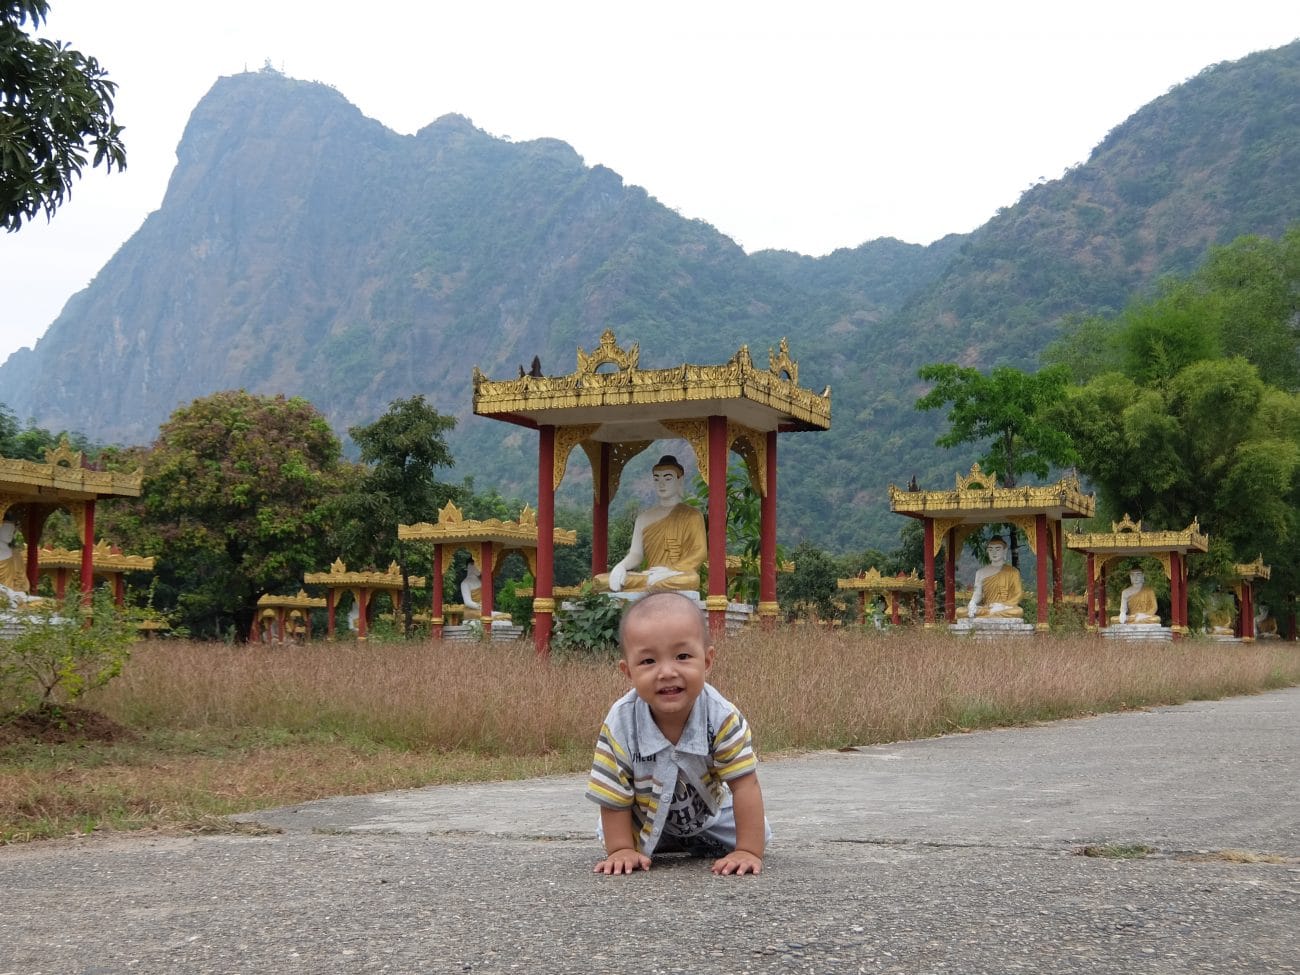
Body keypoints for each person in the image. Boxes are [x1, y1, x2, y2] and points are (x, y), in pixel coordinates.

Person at [586, 591, 769, 876]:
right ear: (628, 671)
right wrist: (620, 848)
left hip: (708, 816)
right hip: (641, 817)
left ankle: (710, 841)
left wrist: (748, 850)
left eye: (682, 656)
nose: (667, 672)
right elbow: (613, 792)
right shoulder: (620, 724)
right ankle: (639, 843)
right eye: (648, 661)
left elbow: (744, 784)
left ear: (707, 661)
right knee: (612, 834)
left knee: (758, 832)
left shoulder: (721, 717)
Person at [593, 455, 707, 596]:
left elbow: (699, 552)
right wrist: (621, 566)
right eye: (656, 479)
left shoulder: (693, 515)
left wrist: (671, 571)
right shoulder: (643, 518)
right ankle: (650, 585)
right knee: (601, 580)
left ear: (680, 480)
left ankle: (648, 586)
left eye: (667, 478)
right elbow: (636, 554)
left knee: (691, 579)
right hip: (649, 575)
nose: (661, 484)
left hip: (676, 575)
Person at [966, 535, 1023, 618]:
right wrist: (972, 603)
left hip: (1004, 608)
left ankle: (987, 614)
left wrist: (1003, 606)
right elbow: (977, 594)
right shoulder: (980, 572)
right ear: (987, 551)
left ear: (1004, 551)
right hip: (987, 607)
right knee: (960, 611)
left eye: (998, 549)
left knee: (1018, 611)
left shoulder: (1013, 572)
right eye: (990, 549)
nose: (994, 552)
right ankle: (989, 613)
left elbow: (1019, 594)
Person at [0, 518, 28, 594]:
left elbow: (21, 580)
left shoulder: (16, 555)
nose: (10, 533)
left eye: (12, 531)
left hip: (12, 595)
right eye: (7, 530)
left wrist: (18, 593)